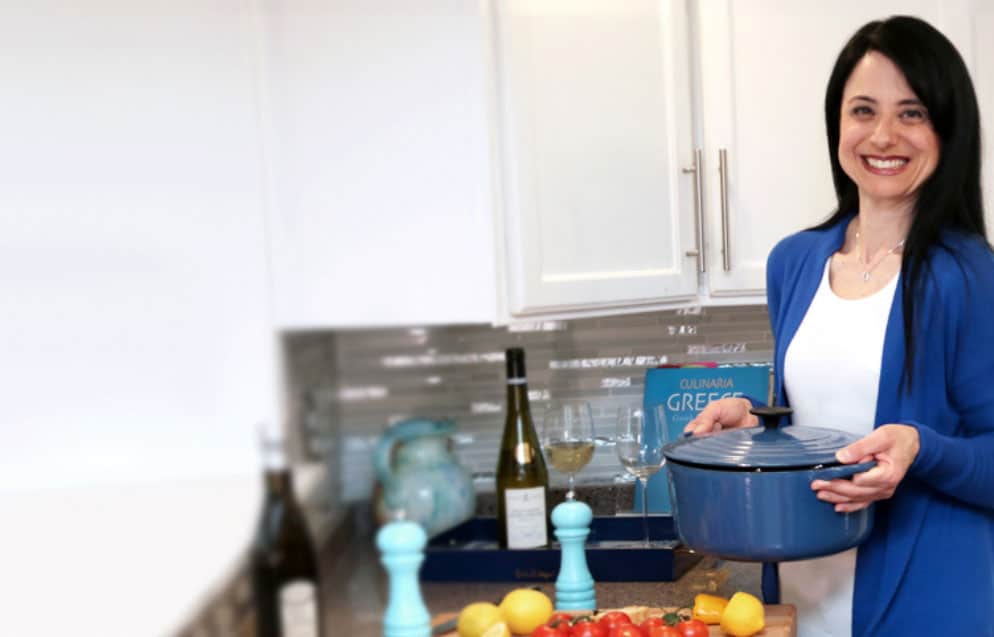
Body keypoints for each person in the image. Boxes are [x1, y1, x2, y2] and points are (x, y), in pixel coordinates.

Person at [684, 15, 994, 637]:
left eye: (912, 113)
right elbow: (815, 422)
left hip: (930, 601)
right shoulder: (794, 262)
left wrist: (921, 447)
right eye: (863, 110)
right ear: (837, 124)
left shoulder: (969, 275)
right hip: (801, 591)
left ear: (947, 130)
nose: (883, 135)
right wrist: (756, 422)